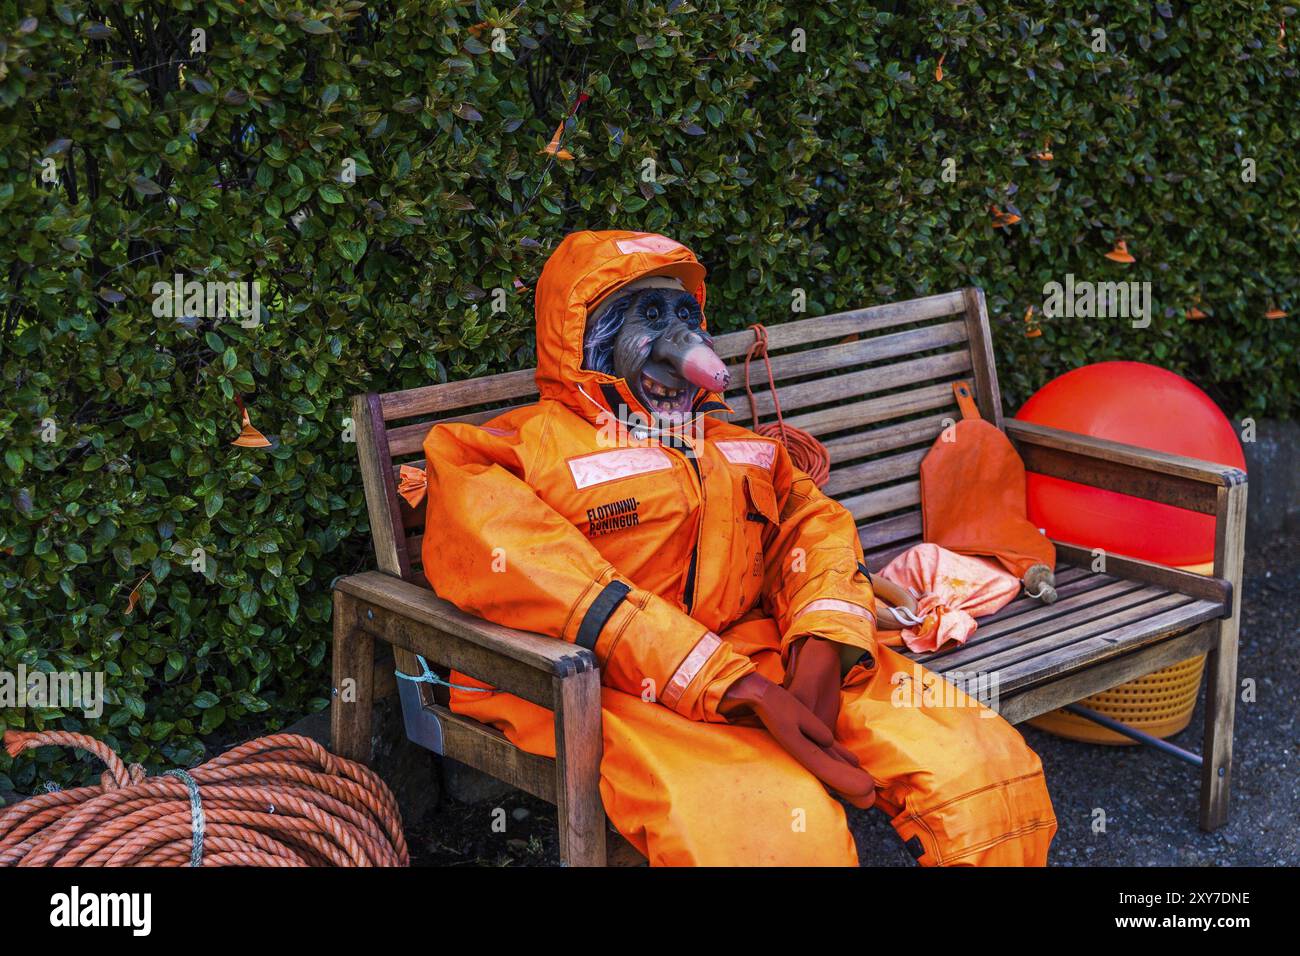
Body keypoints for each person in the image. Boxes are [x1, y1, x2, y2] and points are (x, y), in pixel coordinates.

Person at [421, 230, 1057, 865]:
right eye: (649, 314)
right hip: (602, 687)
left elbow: (815, 529)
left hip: (761, 653)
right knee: (772, 836)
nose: (680, 336)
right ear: (586, 334)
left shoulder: (740, 447)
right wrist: (736, 689)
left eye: (684, 315)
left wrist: (824, 649)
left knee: (983, 772)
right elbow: (540, 579)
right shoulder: (503, 455)